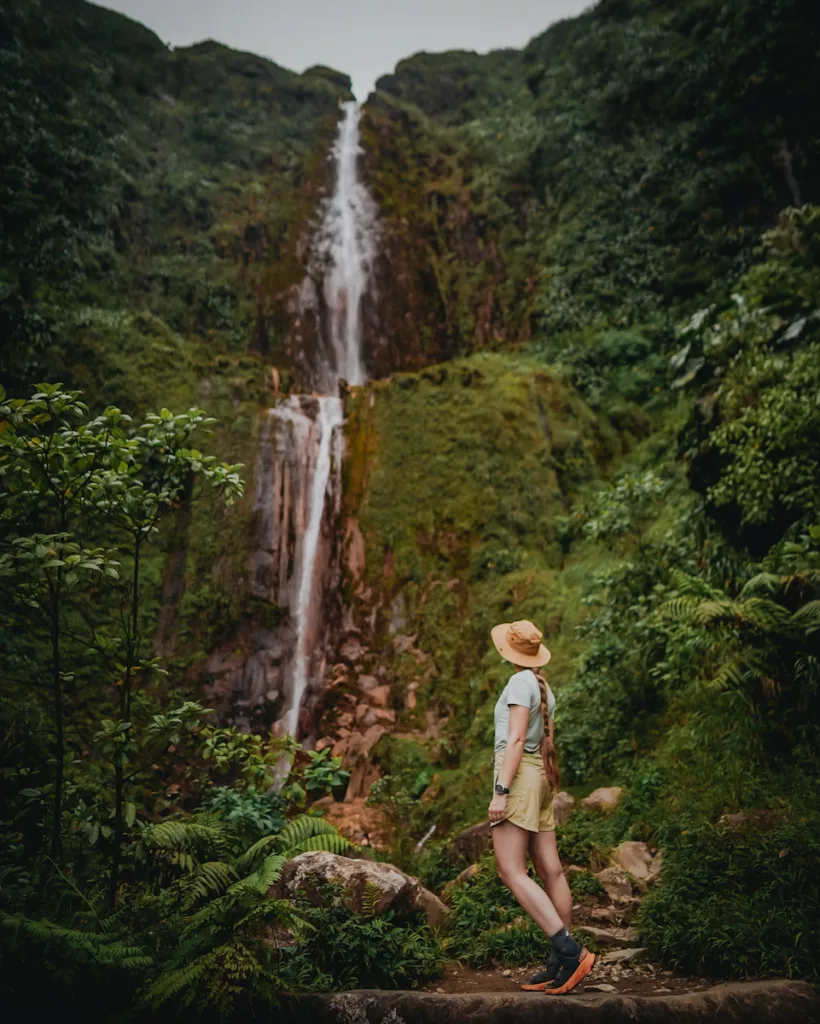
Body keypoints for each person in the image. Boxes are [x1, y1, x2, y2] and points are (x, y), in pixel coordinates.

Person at [488, 619, 595, 994]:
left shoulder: (519, 682)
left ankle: (569, 952)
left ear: (509, 651)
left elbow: (516, 739)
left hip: (520, 777)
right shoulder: (543, 685)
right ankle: (558, 964)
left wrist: (501, 790)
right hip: (541, 776)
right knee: (551, 870)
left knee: (511, 870)